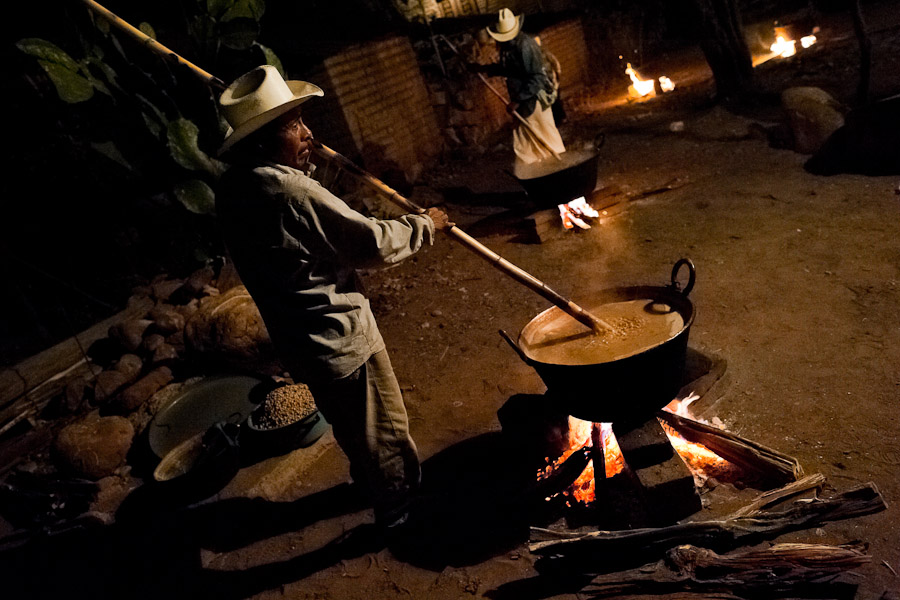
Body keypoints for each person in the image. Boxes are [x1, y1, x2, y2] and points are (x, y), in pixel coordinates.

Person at [213, 65, 451, 535]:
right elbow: (371, 244)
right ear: (261, 143)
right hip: (337, 333)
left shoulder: (236, 188)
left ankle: (370, 485)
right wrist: (427, 225)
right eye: (293, 127)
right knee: (383, 429)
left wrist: (304, 162)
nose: (308, 133)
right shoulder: (289, 192)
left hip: (302, 339)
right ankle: (400, 512)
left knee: (352, 426)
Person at [474, 8, 566, 167]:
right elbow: (510, 69)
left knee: (546, 139)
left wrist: (517, 100)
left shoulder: (525, 46)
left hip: (534, 101)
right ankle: (541, 173)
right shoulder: (510, 47)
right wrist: (484, 69)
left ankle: (563, 171)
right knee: (525, 145)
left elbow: (536, 78)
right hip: (523, 102)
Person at [533, 34, 567, 125]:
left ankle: (561, 118)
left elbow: (555, 63)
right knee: (548, 103)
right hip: (543, 84)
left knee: (556, 100)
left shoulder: (545, 53)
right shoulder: (532, 58)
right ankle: (555, 120)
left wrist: (558, 75)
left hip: (552, 82)